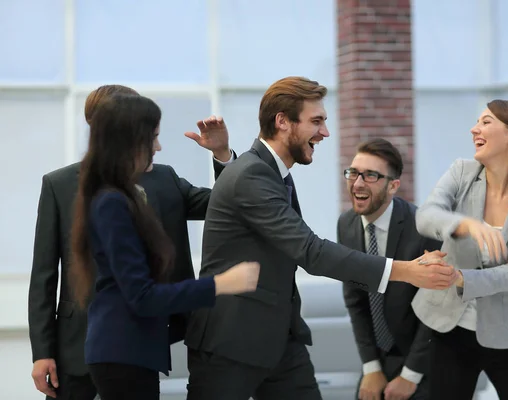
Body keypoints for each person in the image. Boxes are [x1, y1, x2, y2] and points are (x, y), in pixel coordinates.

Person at [183, 76, 456, 400]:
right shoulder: (252, 174)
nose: (325, 132)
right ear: (282, 122)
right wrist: (406, 271)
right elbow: (310, 251)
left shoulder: (271, 174)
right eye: (316, 121)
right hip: (230, 342)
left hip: (280, 341)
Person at [28, 84, 236, 399]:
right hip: (74, 345)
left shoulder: (164, 178)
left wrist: (223, 156)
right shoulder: (59, 184)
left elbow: (222, 207)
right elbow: (44, 275)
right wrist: (42, 352)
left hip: (139, 341)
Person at [411, 99, 508, 400]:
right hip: (450, 328)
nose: (474, 129)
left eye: (486, 122)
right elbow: (426, 215)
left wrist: (460, 277)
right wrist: (466, 225)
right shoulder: (462, 172)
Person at [339, 138, 441, 400]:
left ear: (393, 185)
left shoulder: (423, 228)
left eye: (371, 175)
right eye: (353, 173)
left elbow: (438, 308)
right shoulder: (347, 225)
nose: (358, 183)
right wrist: (371, 367)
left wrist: (410, 376)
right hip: (380, 358)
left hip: (427, 359)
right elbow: (356, 302)